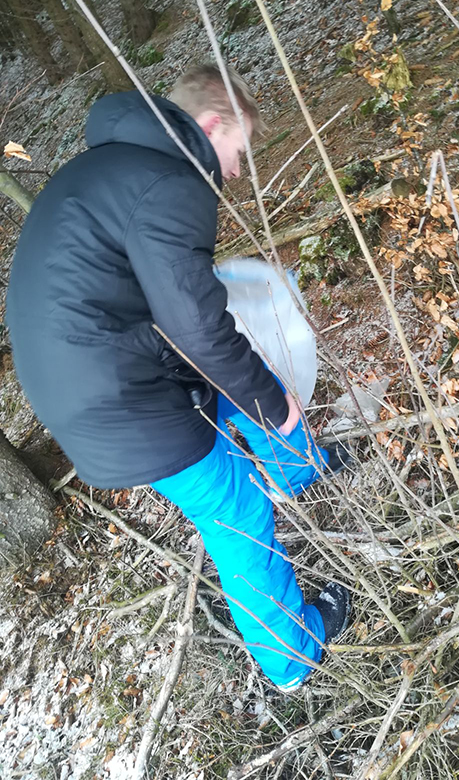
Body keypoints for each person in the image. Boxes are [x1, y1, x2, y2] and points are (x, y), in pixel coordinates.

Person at [6, 64, 350, 692]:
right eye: (239, 149)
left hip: (93, 380)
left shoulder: (113, 169)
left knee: (236, 383)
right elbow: (197, 328)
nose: (237, 171)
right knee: (236, 506)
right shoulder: (170, 182)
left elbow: (172, 308)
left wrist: (263, 396)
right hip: (117, 399)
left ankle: (299, 471)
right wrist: (278, 407)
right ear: (212, 125)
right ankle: (291, 657)